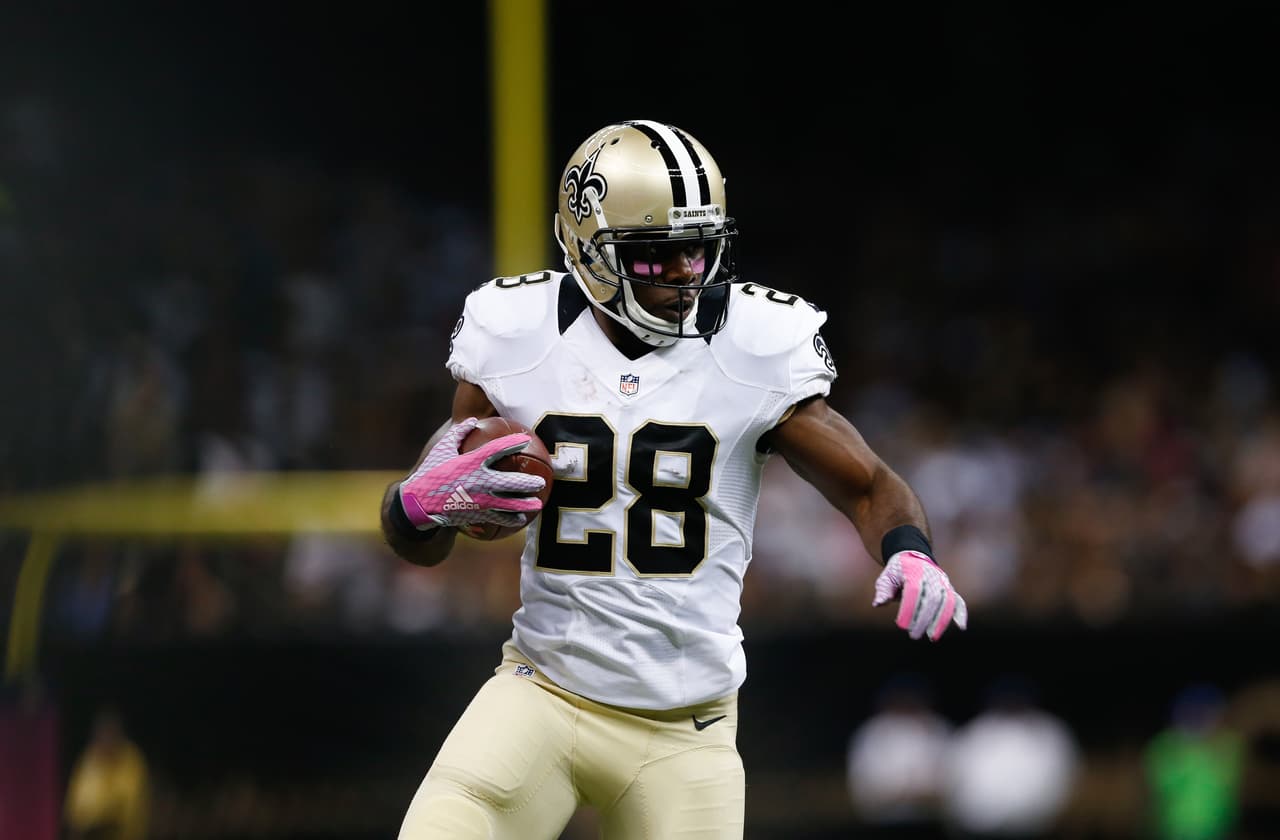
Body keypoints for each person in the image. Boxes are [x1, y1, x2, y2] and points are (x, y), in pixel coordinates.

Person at [380, 119, 969, 839]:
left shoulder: (753, 347)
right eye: (660, 254)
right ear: (587, 248)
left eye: (700, 247)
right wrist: (416, 507)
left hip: (686, 729)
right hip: (540, 693)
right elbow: (421, 539)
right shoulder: (512, 334)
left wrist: (909, 548)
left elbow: (870, 484)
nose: (689, 271)